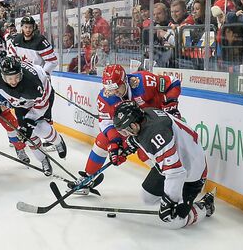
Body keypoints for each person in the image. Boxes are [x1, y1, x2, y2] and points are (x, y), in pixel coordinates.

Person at [69, 64, 181, 193]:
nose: (114, 93)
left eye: (116, 88)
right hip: (133, 128)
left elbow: (172, 82)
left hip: (157, 125)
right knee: (103, 140)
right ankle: (88, 178)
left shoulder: (144, 82)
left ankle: (172, 181)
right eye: (109, 89)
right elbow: (106, 122)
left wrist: (171, 105)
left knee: (145, 153)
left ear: (125, 81)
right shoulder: (105, 97)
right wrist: (115, 144)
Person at [112, 101, 215, 229]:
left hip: (193, 173)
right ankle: (177, 200)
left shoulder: (156, 134)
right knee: (147, 198)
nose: (126, 135)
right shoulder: (146, 114)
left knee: (175, 221)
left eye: (126, 131)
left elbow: (176, 172)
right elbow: (146, 135)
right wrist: (133, 142)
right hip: (175, 161)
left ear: (133, 124)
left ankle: (206, 204)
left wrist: (170, 200)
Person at [0, 56, 67, 176]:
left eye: (17, 77)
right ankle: (43, 159)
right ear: (2, 75)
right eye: (10, 78)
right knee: (27, 135)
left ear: (21, 73)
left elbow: (42, 106)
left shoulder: (33, 85)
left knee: (40, 127)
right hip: (20, 102)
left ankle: (58, 141)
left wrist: (29, 121)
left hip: (43, 98)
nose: (14, 81)